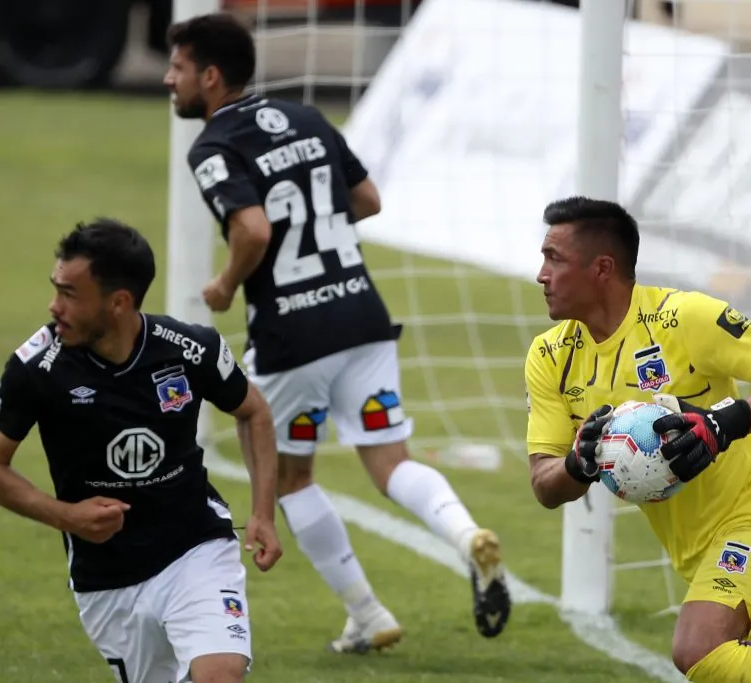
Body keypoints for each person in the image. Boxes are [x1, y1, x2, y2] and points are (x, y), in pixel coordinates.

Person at [162, 12, 511, 652]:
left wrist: (226, 285)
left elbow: (254, 230)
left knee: (294, 477)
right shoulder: (308, 118)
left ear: (210, 77)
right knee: (390, 461)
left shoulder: (212, 147)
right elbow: (370, 199)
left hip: (293, 337)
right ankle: (466, 536)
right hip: (360, 315)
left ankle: (368, 613)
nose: (169, 80)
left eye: (178, 69)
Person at [525, 197, 751, 683]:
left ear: (602, 269)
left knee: (699, 649)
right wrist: (579, 461)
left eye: (554, 258)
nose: (541, 274)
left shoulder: (685, 318)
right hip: (697, 551)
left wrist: (724, 424)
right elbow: (544, 484)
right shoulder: (550, 357)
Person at [0, 219, 283, 683]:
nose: (54, 306)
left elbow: (253, 411)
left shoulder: (190, 349)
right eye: (56, 289)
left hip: (194, 547)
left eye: (71, 294)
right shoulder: (37, 368)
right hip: (107, 578)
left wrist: (262, 511)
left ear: (118, 302)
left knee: (220, 674)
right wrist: (68, 516)